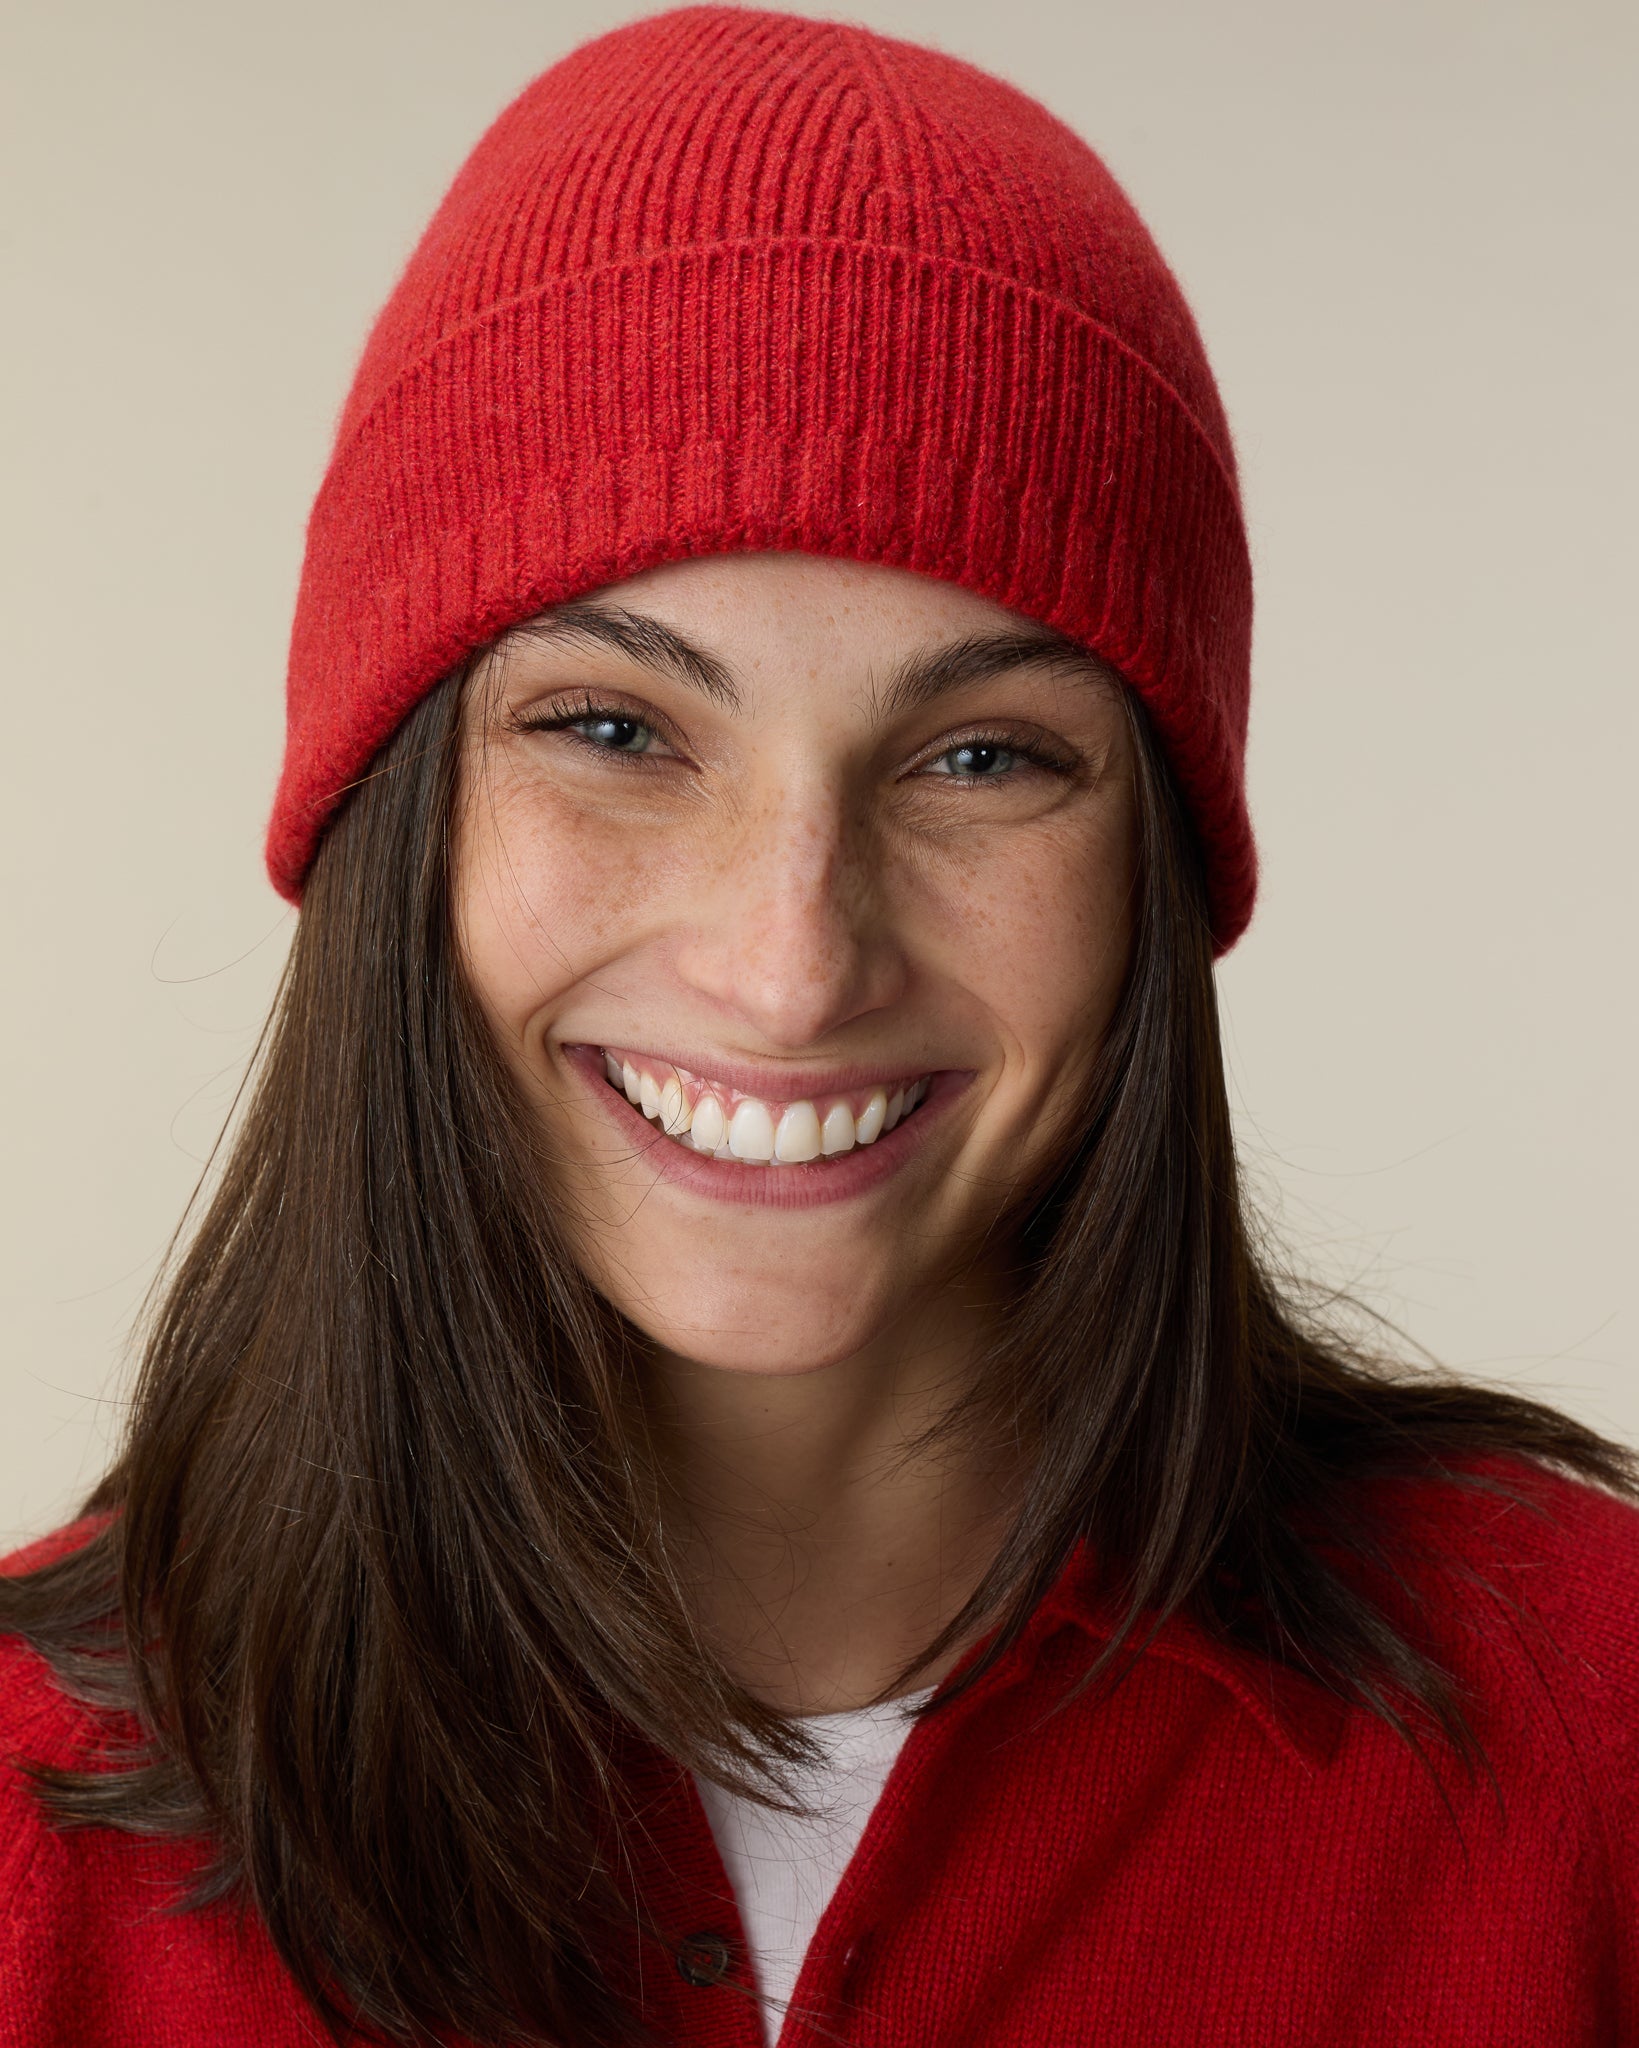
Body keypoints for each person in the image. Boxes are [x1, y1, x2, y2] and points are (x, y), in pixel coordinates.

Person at [2, 6, 1635, 2045]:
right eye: (614, 730)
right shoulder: (24, 1837)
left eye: (979, 759)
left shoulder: (1594, 1731)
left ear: (1161, 870)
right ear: (392, 828)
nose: (791, 962)